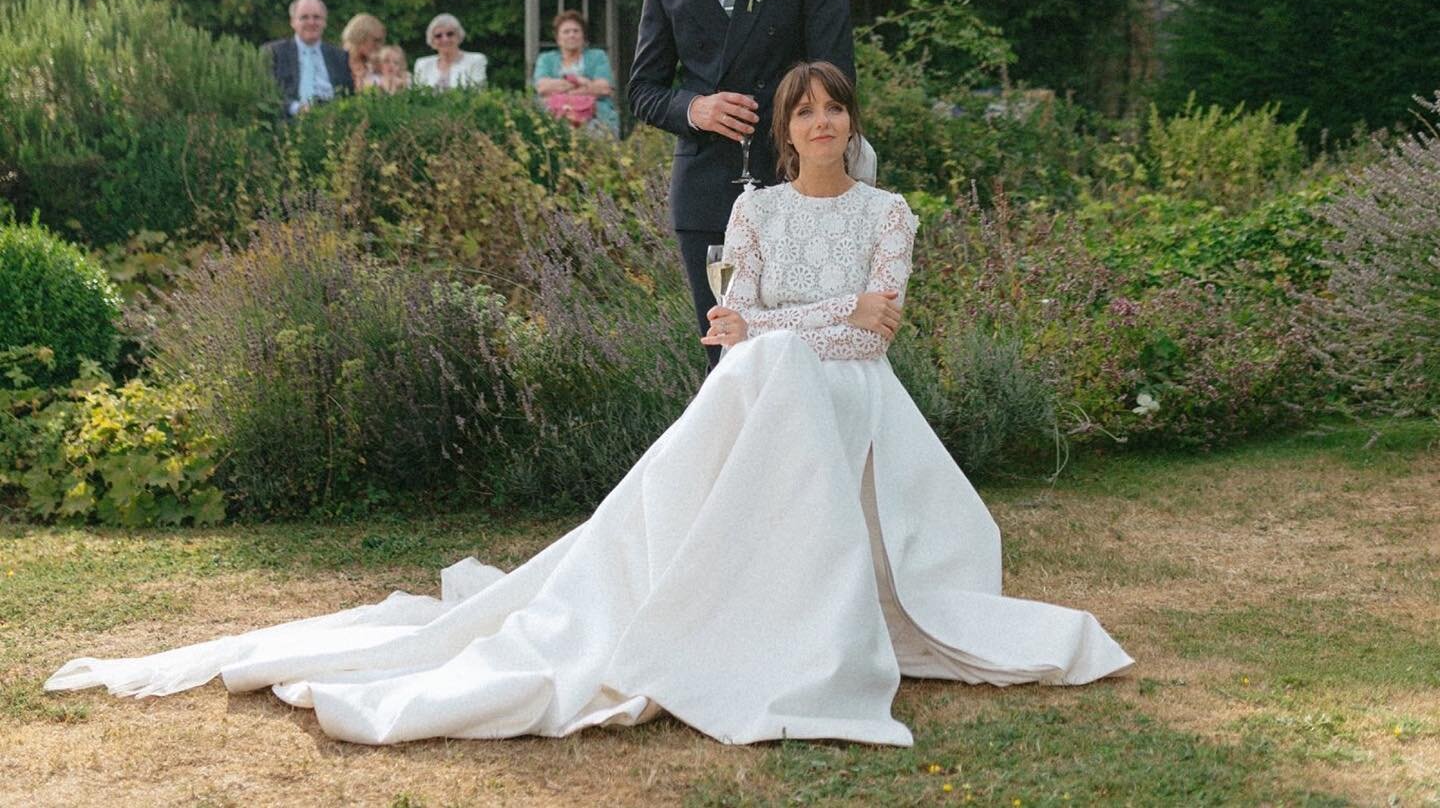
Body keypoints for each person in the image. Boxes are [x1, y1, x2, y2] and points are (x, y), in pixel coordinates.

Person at [45, 60, 1133, 744]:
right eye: (804, 112)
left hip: (860, 396)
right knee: (764, 374)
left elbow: (877, 326)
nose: (820, 125)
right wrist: (794, 321)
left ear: (852, 124)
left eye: (834, 111)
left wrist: (786, 325)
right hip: (768, 387)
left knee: (784, 361)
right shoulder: (750, 213)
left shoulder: (890, 209)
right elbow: (734, 319)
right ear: (783, 129)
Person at [629, 0, 854, 367]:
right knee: (728, 364)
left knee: (800, 353)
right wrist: (694, 109)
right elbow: (642, 90)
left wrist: (796, 121)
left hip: (796, 182)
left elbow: (834, 70)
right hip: (706, 193)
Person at [261, 0, 352, 116]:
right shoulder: (274, 53)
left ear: (324, 22)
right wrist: (297, 109)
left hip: (332, 121)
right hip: (287, 122)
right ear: (292, 22)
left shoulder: (339, 56)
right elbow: (265, 93)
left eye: (317, 17)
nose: (311, 22)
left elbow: (348, 95)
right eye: (304, 17)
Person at [533, 9, 620, 134]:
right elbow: (542, 87)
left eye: (576, 31)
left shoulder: (598, 56)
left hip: (595, 118)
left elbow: (604, 88)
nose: (571, 35)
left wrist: (560, 90)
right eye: (566, 32)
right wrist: (579, 82)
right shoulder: (546, 59)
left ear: (583, 36)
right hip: (555, 118)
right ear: (558, 38)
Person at [413, 14, 488, 91]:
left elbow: (478, 91)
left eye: (450, 34)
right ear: (432, 41)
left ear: (458, 36)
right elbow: (418, 95)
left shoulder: (476, 60)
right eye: (438, 36)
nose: (445, 39)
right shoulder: (422, 64)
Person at [340, 13, 386, 93]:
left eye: (380, 42)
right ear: (360, 37)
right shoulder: (334, 63)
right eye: (375, 41)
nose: (379, 46)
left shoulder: (377, 66)